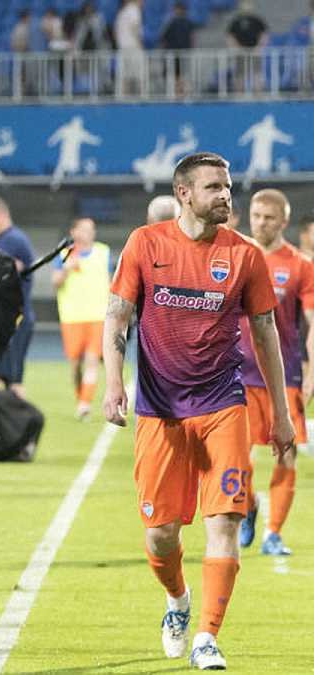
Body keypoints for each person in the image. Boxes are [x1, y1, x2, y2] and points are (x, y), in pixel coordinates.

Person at [103, 152, 296, 670]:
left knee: (225, 522)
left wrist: (281, 413)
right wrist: (113, 382)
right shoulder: (146, 244)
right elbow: (117, 316)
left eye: (228, 187)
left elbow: (266, 335)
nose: (226, 195)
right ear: (184, 193)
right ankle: (178, 600)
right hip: (160, 411)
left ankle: (207, 637)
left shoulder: (244, 255)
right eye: (214, 187)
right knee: (160, 534)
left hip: (223, 406)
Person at [233, 189, 312, 557]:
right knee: (237, 455)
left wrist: (311, 373)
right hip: (238, 375)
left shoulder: (301, 265)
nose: (261, 223)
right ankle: (248, 504)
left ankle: (274, 533)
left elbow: (311, 323)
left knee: (286, 454)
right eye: (256, 216)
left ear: (283, 221)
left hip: (284, 376)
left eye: (268, 217)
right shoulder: (236, 257)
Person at [51, 217, 110, 420]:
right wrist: (66, 269)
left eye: (91, 229)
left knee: (92, 360)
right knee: (75, 365)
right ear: (74, 232)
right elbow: (55, 282)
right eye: (84, 229)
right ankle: (81, 398)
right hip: (72, 317)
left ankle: (85, 404)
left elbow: (111, 280)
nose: (89, 233)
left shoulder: (103, 251)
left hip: (98, 315)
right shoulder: (65, 253)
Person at [0, 195, 36, 398]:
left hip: (14, 321)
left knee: (6, 380)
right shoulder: (5, 240)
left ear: (2, 215)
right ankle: (9, 416)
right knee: (8, 379)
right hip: (14, 319)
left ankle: (10, 416)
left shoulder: (11, 240)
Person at [226, 0, 269, 91]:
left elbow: (264, 35)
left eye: (248, 5)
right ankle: (239, 94)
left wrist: (258, 48)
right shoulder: (236, 21)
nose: (246, 7)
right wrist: (237, 48)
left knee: (257, 73)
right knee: (240, 74)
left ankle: (258, 94)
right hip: (240, 52)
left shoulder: (257, 21)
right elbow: (230, 37)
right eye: (244, 5)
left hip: (255, 52)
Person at [159, 2, 195, 94]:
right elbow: (163, 39)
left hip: (180, 53)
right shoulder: (172, 23)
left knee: (180, 74)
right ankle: (178, 92)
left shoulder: (185, 23)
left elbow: (192, 38)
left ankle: (180, 91)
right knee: (176, 74)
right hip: (175, 53)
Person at [115, 0, 145, 95]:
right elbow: (135, 27)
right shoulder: (134, 9)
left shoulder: (122, 12)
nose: (143, 2)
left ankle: (122, 97)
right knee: (140, 75)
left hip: (122, 47)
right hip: (133, 46)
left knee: (123, 75)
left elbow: (115, 32)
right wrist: (140, 43)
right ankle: (142, 96)